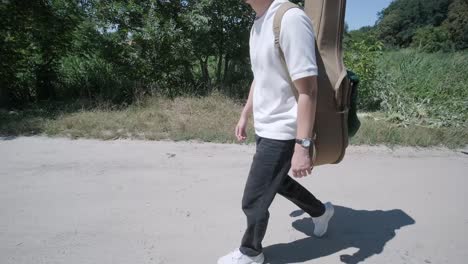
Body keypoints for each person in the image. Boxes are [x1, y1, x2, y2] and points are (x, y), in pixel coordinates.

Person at [217, 0, 335, 264]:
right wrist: (245, 113)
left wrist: (302, 145)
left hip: (284, 128)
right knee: (277, 181)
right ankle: (320, 212)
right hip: (266, 124)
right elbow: (260, 76)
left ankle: (251, 252)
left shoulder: (290, 18)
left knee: (254, 198)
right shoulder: (259, 23)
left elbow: (308, 90)